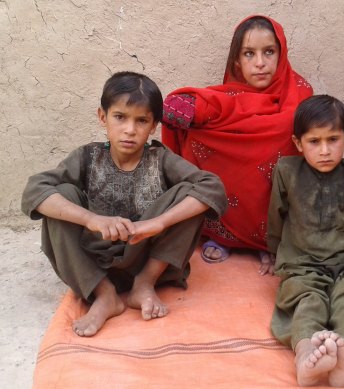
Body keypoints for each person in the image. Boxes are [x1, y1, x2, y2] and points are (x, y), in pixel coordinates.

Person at [21, 71, 227, 337]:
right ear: (102, 117)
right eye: (120, 117)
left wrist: (158, 223)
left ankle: (144, 284)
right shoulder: (87, 157)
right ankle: (104, 294)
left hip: (146, 259)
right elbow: (34, 190)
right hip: (93, 260)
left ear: (154, 126)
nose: (130, 130)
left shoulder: (160, 159)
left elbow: (213, 187)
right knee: (58, 195)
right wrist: (90, 219)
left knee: (192, 192)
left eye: (141, 121)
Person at [161, 15, 313, 274]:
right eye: (249, 54)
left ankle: (271, 242)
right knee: (200, 135)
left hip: (277, 212)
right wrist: (188, 110)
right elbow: (212, 105)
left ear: (282, 54)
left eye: (269, 52)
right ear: (237, 62)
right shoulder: (230, 96)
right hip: (227, 212)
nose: (260, 63)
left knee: (291, 131)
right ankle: (222, 235)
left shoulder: (299, 95)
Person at [267, 95, 344, 387]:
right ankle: (305, 355)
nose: (324, 151)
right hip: (302, 265)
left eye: (332, 139)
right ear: (298, 143)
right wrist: (273, 253)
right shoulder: (287, 171)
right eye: (314, 142)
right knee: (306, 301)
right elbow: (276, 215)